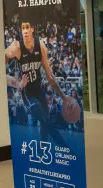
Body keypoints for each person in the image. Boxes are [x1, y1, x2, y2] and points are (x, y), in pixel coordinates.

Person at [4, 20, 73, 150]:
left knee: (45, 123)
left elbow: (50, 76)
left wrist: (64, 97)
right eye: (22, 28)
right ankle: (67, 149)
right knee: (45, 121)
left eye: (27, 27)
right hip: (27, 94)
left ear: (32, 29)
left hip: (39, 91)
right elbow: (3, 55)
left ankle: (42, 151)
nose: (24, 30)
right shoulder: (17, 47)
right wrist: (15, 81)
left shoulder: (41, 47)